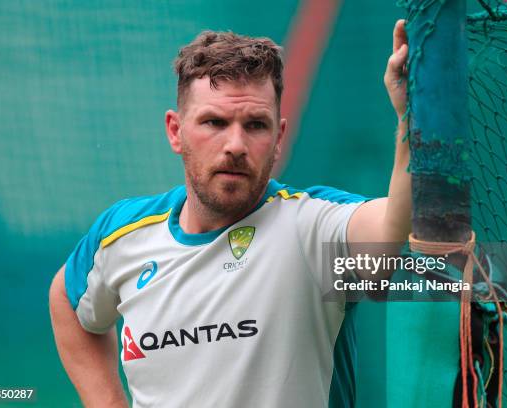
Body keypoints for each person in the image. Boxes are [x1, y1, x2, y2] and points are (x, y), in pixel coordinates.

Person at [49, 20, 410, 408]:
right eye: (215, 123)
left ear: (278, 138)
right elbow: (68, 301)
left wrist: (413, 119)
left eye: (255, 125)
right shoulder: (122, 235)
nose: (235, 145)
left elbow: (389, 238)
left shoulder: (313, 227)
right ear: (176, 131)